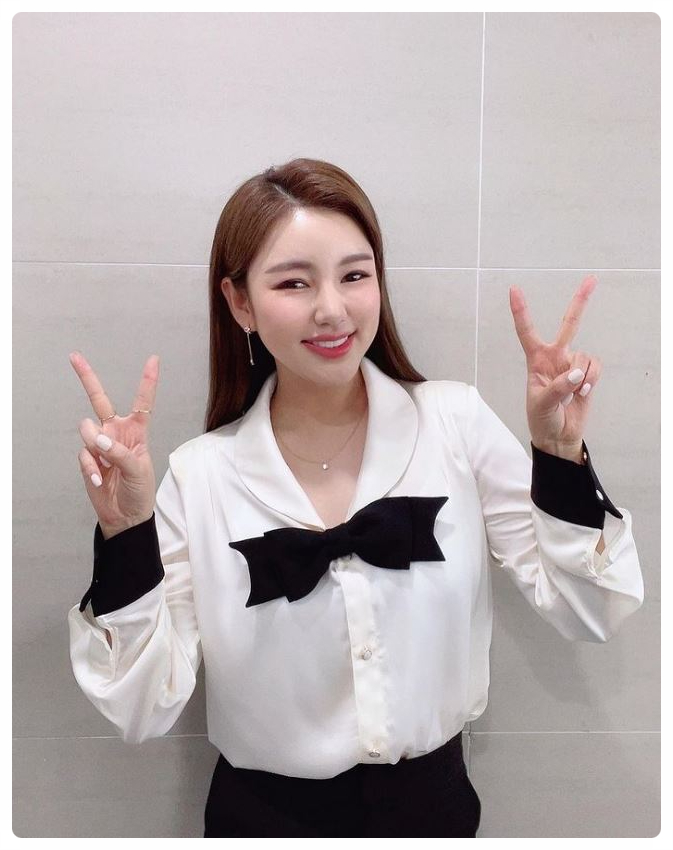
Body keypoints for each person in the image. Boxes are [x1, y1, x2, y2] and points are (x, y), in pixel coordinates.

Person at [67, 158, 644, 838]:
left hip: (432, 814)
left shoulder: (455, 424)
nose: (332, 309)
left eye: (354, 275)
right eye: (293, 282)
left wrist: (559, 455)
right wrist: (127, 532)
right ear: (240, 302)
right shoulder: (200, 476)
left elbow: (592, 608)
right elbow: (141, 707)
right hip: (261, 822)